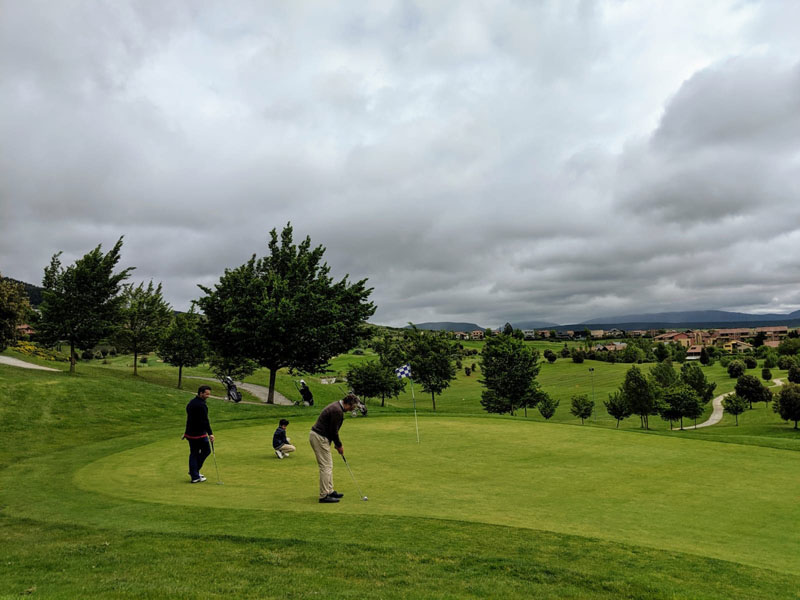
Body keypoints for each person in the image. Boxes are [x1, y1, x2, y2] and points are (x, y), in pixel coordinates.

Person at [309, 393, 359, 503]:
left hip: (321, 436)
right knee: (326, 467)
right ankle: (324, 495)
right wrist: (339, 445)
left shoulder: (337, 407)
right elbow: (333, 431)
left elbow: (332, 431)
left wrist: (337, 444)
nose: (352, 409)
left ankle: (329, 491)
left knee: (328, 465)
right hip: (319, 437)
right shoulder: (337, 411)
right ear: (348, 404)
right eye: (353, 407)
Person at [183, 385, 214, 483]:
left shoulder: (191, 403)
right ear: (201, 393)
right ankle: (194, 473)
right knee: (206, 450)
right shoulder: (201, 405)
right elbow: (205, 421)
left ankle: (194, 473)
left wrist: (186, 432)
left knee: (194, 453)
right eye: (206, 394)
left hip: (190, 433)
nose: (208, 396)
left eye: (209, 394)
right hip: (199, 434)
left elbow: (190, 419)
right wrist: (210, 433)